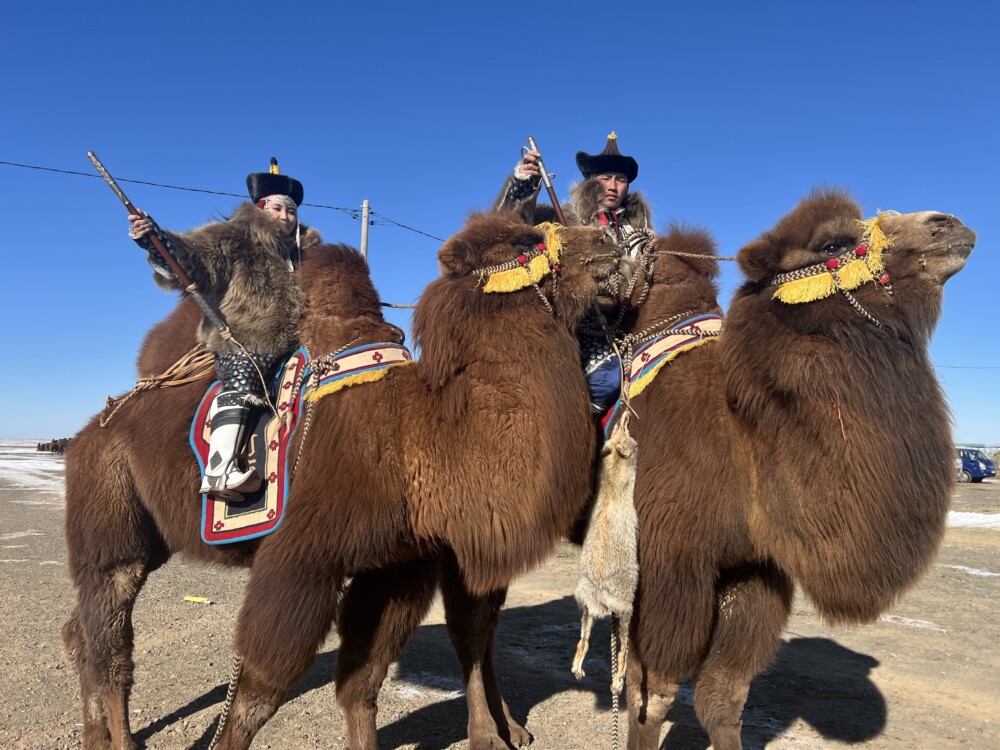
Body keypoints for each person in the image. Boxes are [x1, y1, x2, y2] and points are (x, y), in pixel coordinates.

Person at [128, 158, 322, 500]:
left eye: (291, 211)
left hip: (301, 342)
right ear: (261, 209)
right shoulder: (234, 239)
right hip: (245, 341)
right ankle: (220, 470)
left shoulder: (309, 255)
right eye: (277, 208)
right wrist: (156, 240)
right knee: (244, 377)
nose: (285, 217)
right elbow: (191, 257)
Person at [494, 132, 653, 412]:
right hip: (580, 326)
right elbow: (508, 225)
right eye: (605, 178)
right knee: (606, 380)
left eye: (620, 179)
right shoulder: (563, 218)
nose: (613, 186)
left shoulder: (640, 232)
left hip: (634, 325)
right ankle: (583, 434)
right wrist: (523, 182)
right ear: (591, 180)